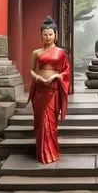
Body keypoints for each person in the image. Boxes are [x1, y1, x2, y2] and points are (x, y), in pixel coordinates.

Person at [28, 16, 71, 164]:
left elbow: (66, 71)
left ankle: (51, 151)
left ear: (56, 35)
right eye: (45, 34)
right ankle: (41, 152)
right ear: (41, 35)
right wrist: (38, 78)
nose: (47, 37)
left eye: (50, 34)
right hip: (40, 89)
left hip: (52, 89)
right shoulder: (36, 53)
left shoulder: (60, 52)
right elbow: (32, 71)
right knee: (41, 121)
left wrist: (57, 76)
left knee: (50, 122)